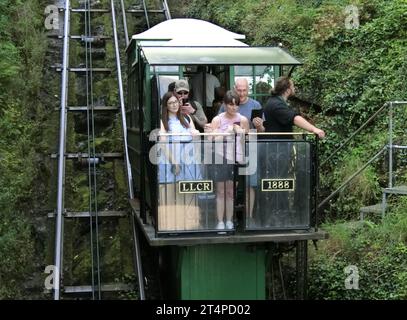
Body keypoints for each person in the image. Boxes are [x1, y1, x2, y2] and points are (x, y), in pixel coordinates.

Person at [204, 90, 250, 230]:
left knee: (230, 192)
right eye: (230, 105)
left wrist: (241, 132)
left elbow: (246, 139)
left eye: (236, 105)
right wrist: (226, 133)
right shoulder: (218, 119)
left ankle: (229, 220)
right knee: (220, 191)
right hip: (220, 158)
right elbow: (210, 139)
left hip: (235, 157)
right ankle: (220, 221)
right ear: (225, 104)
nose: (233, 108)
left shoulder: (243, 120)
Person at [157, 92, 201, 231]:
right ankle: (169, 225)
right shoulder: (163, 121)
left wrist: (197, 135)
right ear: (166, 105)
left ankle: (190, 224)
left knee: (188, 192)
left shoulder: (187, 118)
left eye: (175, 102)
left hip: (188, 160)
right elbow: (163, 144)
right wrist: (174, 162)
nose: (174, 105)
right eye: (170, 103)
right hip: (171, 160)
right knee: (169, 191)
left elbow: (195, 137)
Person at [252, 76, 325, 138]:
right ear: (287, 91)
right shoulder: (277, 105)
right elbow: (294, 118)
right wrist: (314, 129)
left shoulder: (273, 101)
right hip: (277, 149)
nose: (294, 89)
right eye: (292, 87)